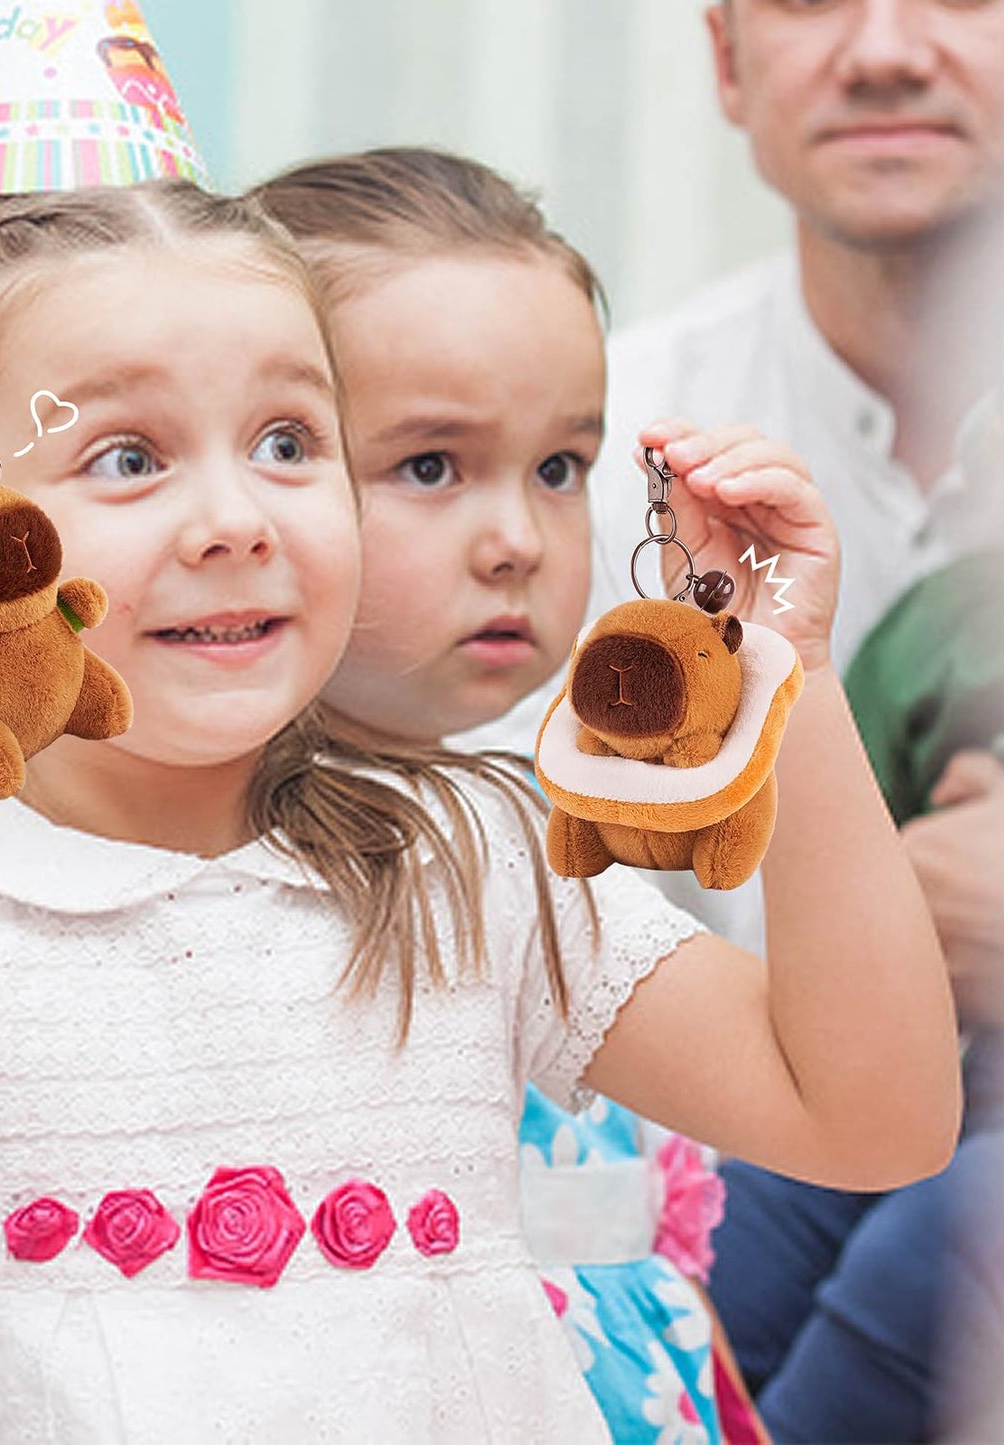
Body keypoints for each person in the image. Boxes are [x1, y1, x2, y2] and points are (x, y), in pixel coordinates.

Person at [0, 178, 958, 1443]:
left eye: (286, 441)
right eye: (128, 455)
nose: (233, 516)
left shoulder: (468, 864)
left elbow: (864, 1114)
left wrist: (796, 671)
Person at [462, 2, 1004, 1436]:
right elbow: (491, 875)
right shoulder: (593, 447)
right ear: (722, 59)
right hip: (738, 1120)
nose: (887, 48)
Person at [254, 145, 770, 1443]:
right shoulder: (224, 862)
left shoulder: (542, 823)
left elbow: (645, 1257)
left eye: (559, 466)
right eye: (430, 465)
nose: (519, 539)